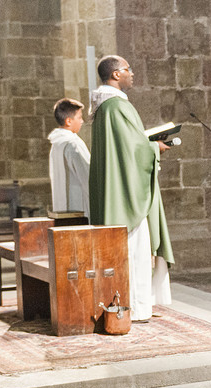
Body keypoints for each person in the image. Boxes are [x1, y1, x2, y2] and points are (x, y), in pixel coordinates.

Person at [88, 55, 173, 322]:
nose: (132, 73)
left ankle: (125, 305)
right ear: (115, 75)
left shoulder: (107, 107)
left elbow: (126, 145)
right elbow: (133, 150)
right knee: (134, 252)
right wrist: (154, 147)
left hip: (116, 187)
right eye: (128, 69)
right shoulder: (116, 106)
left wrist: (145, 143)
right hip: (125, 194)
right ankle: (134, 307)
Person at [48, 98, 90, 215]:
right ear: (68, 121)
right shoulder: (73, 143)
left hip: (61, 207)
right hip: (78, 207)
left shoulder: (56, 143)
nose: (82, 121)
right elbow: (87, 176)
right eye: (79, 117)